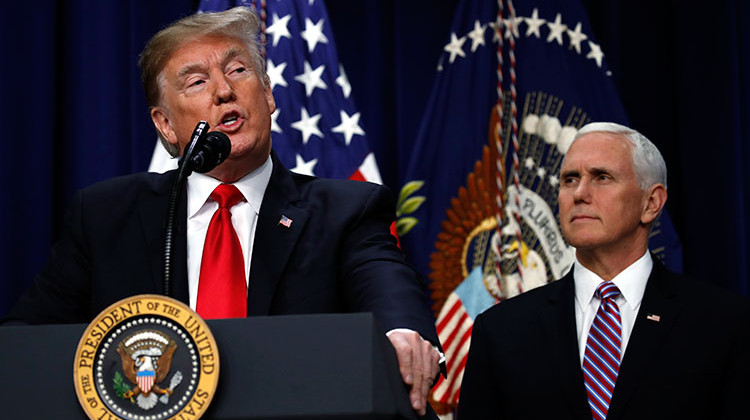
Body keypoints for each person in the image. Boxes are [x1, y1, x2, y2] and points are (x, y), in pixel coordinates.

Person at [5, 7, 441, 416]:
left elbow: (388, 293)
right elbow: (25, 347)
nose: (223, 90)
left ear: (268, 95)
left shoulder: (346, 209)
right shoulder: (104, 216)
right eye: (196, 82)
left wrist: (401, 334)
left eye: (238, 70)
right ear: (164, 124)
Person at [457, 122, 749, 419]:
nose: (580, 193)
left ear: (651, 202)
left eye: (602, 177)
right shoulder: (500, 331)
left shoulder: (725, 324)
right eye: (570, 179)